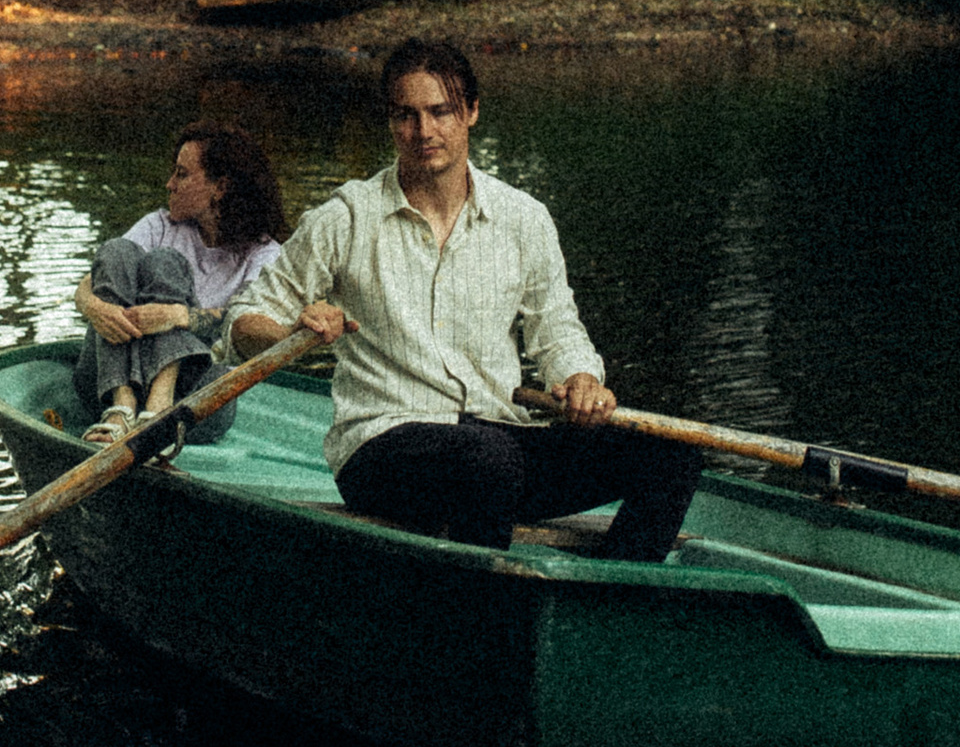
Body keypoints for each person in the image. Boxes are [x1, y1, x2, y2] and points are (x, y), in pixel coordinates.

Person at [229, 37, 699, 559]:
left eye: (440, 112)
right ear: (391, 122)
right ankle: (478, 620)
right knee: (486, 461)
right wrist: (293, 332)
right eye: (406, 116)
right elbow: (244, 322)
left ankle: (612, 606)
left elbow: (557, 329)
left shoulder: (524, 219)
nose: (424, 132)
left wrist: (582, 379)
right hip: (383, 447)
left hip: (497, 440)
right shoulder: (346, 218)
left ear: (471, 112)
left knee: (669, 455)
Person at [73, 123, 291, 452]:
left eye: (182, 174)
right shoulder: (159, 225)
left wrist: (178, 316)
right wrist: (96, 309)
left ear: (220, 187)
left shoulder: (264, 255)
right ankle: (123, 405)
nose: (169, 184)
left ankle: (158, 405)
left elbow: (251, 326)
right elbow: (90, 285)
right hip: (110, 383)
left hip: (189, 398)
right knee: (118, 250)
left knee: (166, 263)